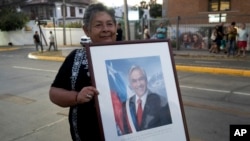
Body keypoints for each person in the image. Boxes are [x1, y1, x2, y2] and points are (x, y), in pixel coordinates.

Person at [49, 3, 117, 141]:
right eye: (98, 25)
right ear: (87, 30)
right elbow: (54, 93)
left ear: (116, 27)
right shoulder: (76, 57)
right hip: (87, 135)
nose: (105, 29)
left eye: (109, 24)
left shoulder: (131, 55)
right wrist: (77, 97)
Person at [122, 65, 172, 134]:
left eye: (141, 79)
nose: (138, 84)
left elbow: (169, 132)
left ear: (146, 80)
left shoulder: (162, 103)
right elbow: (125, 132)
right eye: (134, 81)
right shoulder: (125, 106)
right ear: (130, 84)